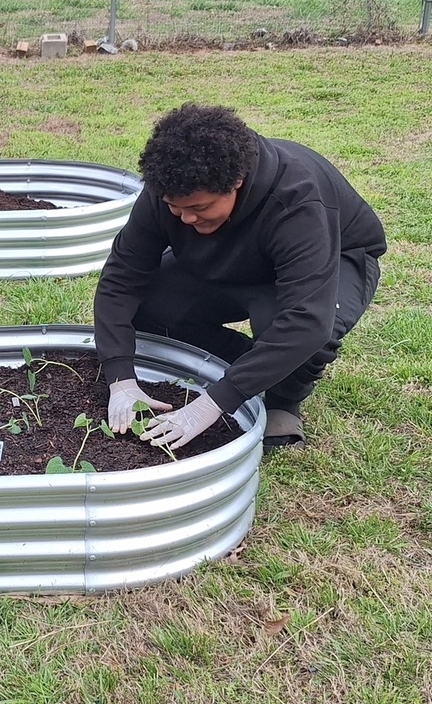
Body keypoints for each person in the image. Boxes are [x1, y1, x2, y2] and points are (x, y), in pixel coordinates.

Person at [93, 103, 386, 453]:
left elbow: (308, 320)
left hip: (336, 258)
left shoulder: (297, 199)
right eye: (175, 208)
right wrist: (120, 377)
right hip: (231, 260)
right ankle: (254, 361)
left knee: (302, 330)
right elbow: (121, 279)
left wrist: (214, 403)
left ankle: (282, 399)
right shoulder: (170, 187)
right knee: (148, 304)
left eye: (199, 208)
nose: (185, 218)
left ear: (237, 181)